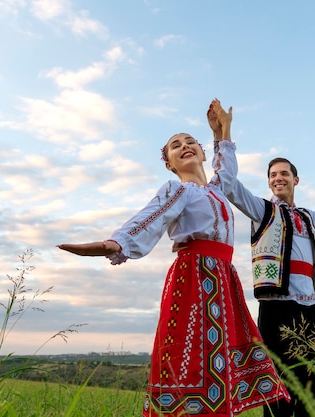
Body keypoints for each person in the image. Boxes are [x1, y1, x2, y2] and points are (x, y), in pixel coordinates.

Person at [57, 103, 289, 417]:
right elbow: (150, 216)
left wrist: (222, 130)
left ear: (203, 154)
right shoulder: (178, 190)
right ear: (169, 164)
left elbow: (228, 169)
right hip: (194, 275)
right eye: (175, 146)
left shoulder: (220, 190)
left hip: (223, 278)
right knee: (191, 354)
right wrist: (115, 243)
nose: (185, 146)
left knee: (220, 355)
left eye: (191, 142)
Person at [208, 99, 315, 417]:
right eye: (273, 175)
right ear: (268, 183)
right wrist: (222, 135)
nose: (278, 178)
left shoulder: (308, 217)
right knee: (279, 384)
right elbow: (227, 184)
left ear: (296, 179)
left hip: (308, 308)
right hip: (276, 307)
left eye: (284, 173)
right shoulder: (261, 210)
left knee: (314, 380)